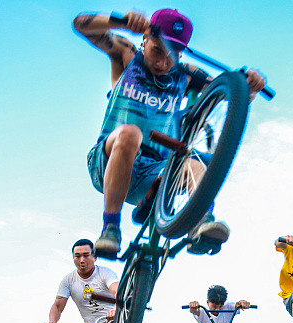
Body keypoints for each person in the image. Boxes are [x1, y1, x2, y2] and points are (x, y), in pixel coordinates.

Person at [74, 8, 267, 257]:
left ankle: (201, 224)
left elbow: (231, 97)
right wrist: (121, 22)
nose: (163, 63)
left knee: (195, 163)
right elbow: (81, 24)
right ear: (145, 39)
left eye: (172, 55)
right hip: (109, 159)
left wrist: (250, 88)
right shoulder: (127, 56)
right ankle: (110, 228)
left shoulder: (185, 75)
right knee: (131, 134)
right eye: (157, 51)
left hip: (154, 171)